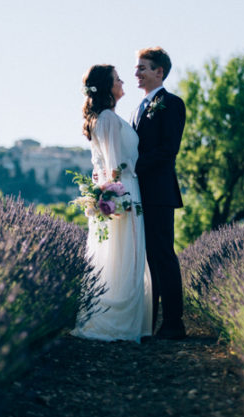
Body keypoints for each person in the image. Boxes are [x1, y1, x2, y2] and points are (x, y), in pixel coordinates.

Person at [71, 64, 153, 343]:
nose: (122, 82)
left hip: (120, 189)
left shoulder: (106, 117)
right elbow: (114, 164)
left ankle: (121, 318)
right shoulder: (106, 118)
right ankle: (116, 321)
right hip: (123, 191)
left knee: (120, 254)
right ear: (108, 87)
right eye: (117, 79)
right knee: (123, 253)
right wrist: (119, 199)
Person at [132, 47, 187, 340]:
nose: (136, 73)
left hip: (160, 193)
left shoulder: (172, 103)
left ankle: (174, 323)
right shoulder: (138, 108)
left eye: (142, 68)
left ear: (159, 72)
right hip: (138, 194)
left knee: (163, 256)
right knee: (146, 259)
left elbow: (168, 150)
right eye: (136, 68)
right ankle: (149, 322)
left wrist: (133, 168)